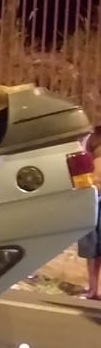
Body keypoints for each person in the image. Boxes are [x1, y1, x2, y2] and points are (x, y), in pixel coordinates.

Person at [76, 125, 101, 300]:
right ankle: (93, 289)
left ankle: (95, 289)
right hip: (92, 195)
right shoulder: (92, 137)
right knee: (92, 248)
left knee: (94, 246)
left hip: (95, 195)